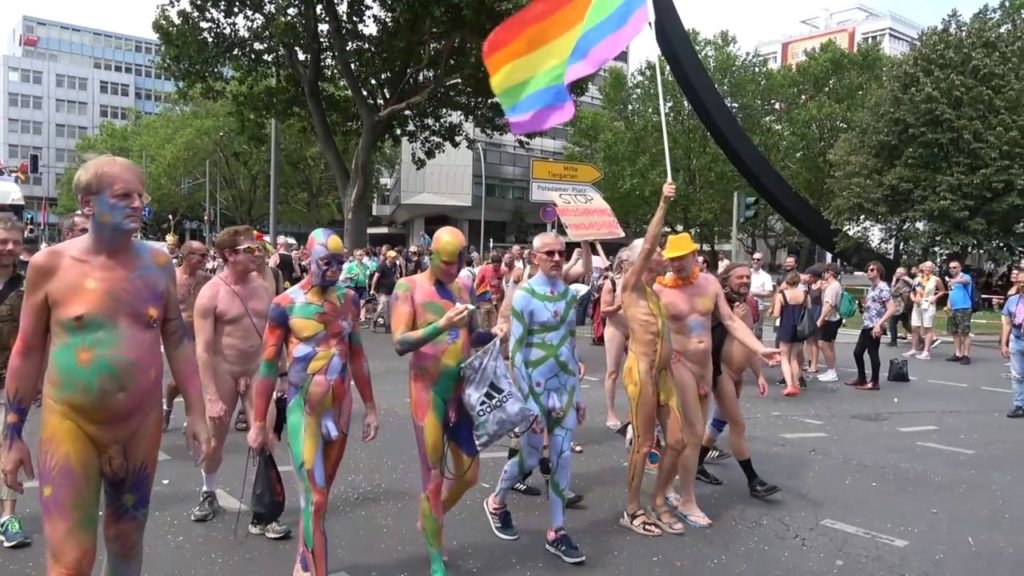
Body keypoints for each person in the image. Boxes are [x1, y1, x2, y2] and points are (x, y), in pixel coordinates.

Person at [1, 155, 211, 575]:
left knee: (126, 541)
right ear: (88, 203)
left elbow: (177, 338)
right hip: (71, 423)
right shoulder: (50, 265)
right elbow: (27, 350)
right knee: (70, 561)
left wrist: (197, 411)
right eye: (123, 195)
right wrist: (12, 436)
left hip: (139, 424)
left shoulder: (157, 266)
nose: (137, 204)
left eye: (140, 195)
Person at [248, 228, 379, 576]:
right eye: (326, 262)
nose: (335, 269)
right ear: (307, 259)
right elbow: (267, 365)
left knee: (319, 501)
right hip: (302, 409)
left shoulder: (350, 300)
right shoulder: (285, 304)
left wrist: (370, 407)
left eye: (340, 262)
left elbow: (358, 356)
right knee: (315, 498)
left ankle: (303, 562)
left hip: (341, 409)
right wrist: (259, 422)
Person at [390, 226, 504, 576]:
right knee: (434, 477)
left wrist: (494, 334)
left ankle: (431, 515)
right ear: (431, 256)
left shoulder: (464, 287)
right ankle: (436, 558)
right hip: (429, 394)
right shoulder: (407, 287)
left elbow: (472, 333)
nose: (454, 269)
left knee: (470, 474)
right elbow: (399, 342)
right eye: (447, 262)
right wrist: (440, 324)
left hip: (461, 390)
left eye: (459, 261)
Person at [654, 232, 779, 521]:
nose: (675, 264)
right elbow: (643, 323)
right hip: (679, 364)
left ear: (693, 255)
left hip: (706, 366)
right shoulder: (660, 288)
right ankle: (687, 500)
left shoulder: (709, 283)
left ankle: (669, 487)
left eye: (681, 257)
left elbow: (731, 320)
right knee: (694, 432)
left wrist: (759, 349)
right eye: (671, 259)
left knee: (691, 437)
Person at [484, 232, 586, 563]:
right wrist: (528, 403)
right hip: (535, 390)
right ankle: (497, 501)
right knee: (529, 459)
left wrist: (578, 393)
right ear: (535, 257)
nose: (557, 258)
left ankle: (557, 531)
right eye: (550, 253)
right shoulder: (524, 296)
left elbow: (570, 343)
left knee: (562, 457)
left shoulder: (568, 294)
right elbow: (516, 353)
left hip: (564, 388)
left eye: (561, 253)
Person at [186, 226, 290, 539]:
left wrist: (283, 374)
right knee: (214, 442)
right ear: (229, 255)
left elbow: (275, 334)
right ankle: (209, 491)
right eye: (250, 249)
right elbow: (203, 351)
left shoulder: (264, 286)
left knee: (265, 437)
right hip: (223, 371)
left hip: (258, 369)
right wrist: (211, 397)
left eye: (258, 249)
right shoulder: (211, 294)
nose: (257, 254)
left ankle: (264, 513)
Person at [616, 182, 686, 537]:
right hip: (641, 372)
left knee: (677, 441)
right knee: (644, 444)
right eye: (656, 251)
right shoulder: (630, 286)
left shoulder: (655, 293)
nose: (660, 254)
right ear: (635, 261)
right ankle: (632, 509)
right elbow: (647, 244)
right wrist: (662, 203)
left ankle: (658, 500)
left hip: (663, 376)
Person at [699, 263, 779, 498]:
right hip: (720, 372)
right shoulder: (717, 304)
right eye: (739, 277)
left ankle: (697, 463)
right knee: (738, 425)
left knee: (720, 421)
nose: (745, 280)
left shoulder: (747, 304)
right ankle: (753, 480)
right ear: (725, 280)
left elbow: (749, 342)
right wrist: (734, 318)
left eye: (747, 277)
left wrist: (759, 374)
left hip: (737, 374)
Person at [0, 215, 29, 549]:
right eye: (2, 242)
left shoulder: (29, 284)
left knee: (8, 444)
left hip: (10, 382)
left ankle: (8, 517)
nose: (9, 248)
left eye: (15, 242)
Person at [163, 241, 212, 432]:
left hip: (201, 334)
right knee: (177, 382)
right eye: (201, 255)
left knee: (197, 377)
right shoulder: (171, 278)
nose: (205, 259)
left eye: (206, 255)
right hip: (179, 336)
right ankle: (167, 408)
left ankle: (193, 417)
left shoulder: (207, 280)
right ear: (186, 255)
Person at [846, 261, 894, 391]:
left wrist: (879, 324)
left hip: (874, 325)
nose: (868, 272)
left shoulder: (883, 287)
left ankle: (874, 381)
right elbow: (875, 305)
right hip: (867, 324)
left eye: (872, 270)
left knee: (873, 353)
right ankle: (861, 377)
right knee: (857, 353)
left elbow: (891, 309)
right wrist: (863, 307)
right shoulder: (873, 287)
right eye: (867, 270)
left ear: (879, 272)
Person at [1000, 271, 1023, 418]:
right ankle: (1019, 405)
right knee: (1017, 376)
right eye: (1019, 282)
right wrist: (1004, 343)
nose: (1021, 285)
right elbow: (1007, 323)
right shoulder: (1013, 300)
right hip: (1017, 339)